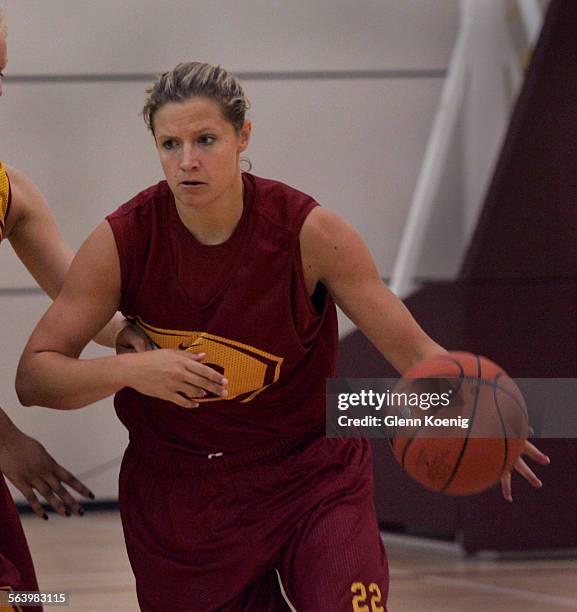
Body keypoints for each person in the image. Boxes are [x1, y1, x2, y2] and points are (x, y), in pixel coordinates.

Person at [16, 61, 549, 611]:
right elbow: (35, 376)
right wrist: (131, 371)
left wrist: (484, 421)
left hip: (309, 475)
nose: (187, 161)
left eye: (205, 139)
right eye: (169, 143)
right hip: (181, 495)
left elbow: (416, 352)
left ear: (243, 135)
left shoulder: (310, 233)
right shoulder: (124, 241)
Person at [0, 9, 149, 606]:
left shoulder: (11, 192)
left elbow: (79, 299)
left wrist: (135, 341)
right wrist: (6, 437)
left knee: (24, 600)